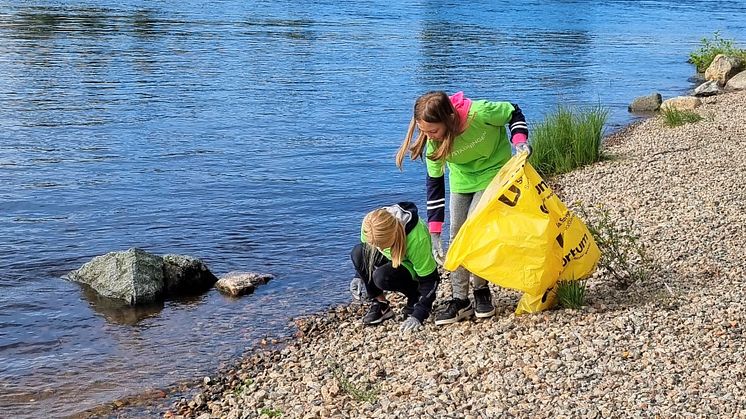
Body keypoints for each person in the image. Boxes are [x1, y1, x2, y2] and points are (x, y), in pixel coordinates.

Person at [395, 91, 530, 326]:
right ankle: (460, 300)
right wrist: (435, 231)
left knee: (474, 228)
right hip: (462, 181)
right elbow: (434, 186)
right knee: (456, 233)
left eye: (433, 131)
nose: (429, 137)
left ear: (449, 119)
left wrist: (520, 141)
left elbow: (513, 111)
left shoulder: (481, 113)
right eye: (423, 131)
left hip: (494, 173)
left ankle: (481, 290)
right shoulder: (432, 144)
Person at [350, 202, 439, 332]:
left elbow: (431, 279)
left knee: (381, 277)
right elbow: (365, 255)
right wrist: (359, 276)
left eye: (382, 245)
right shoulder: (369, 226)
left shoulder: (417, 239)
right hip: (393, 258)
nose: (379, 248)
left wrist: (419, 315)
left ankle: (414, 295)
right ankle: (381, 305)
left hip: (411, 269)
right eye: (376, 245)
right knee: (358, 252)